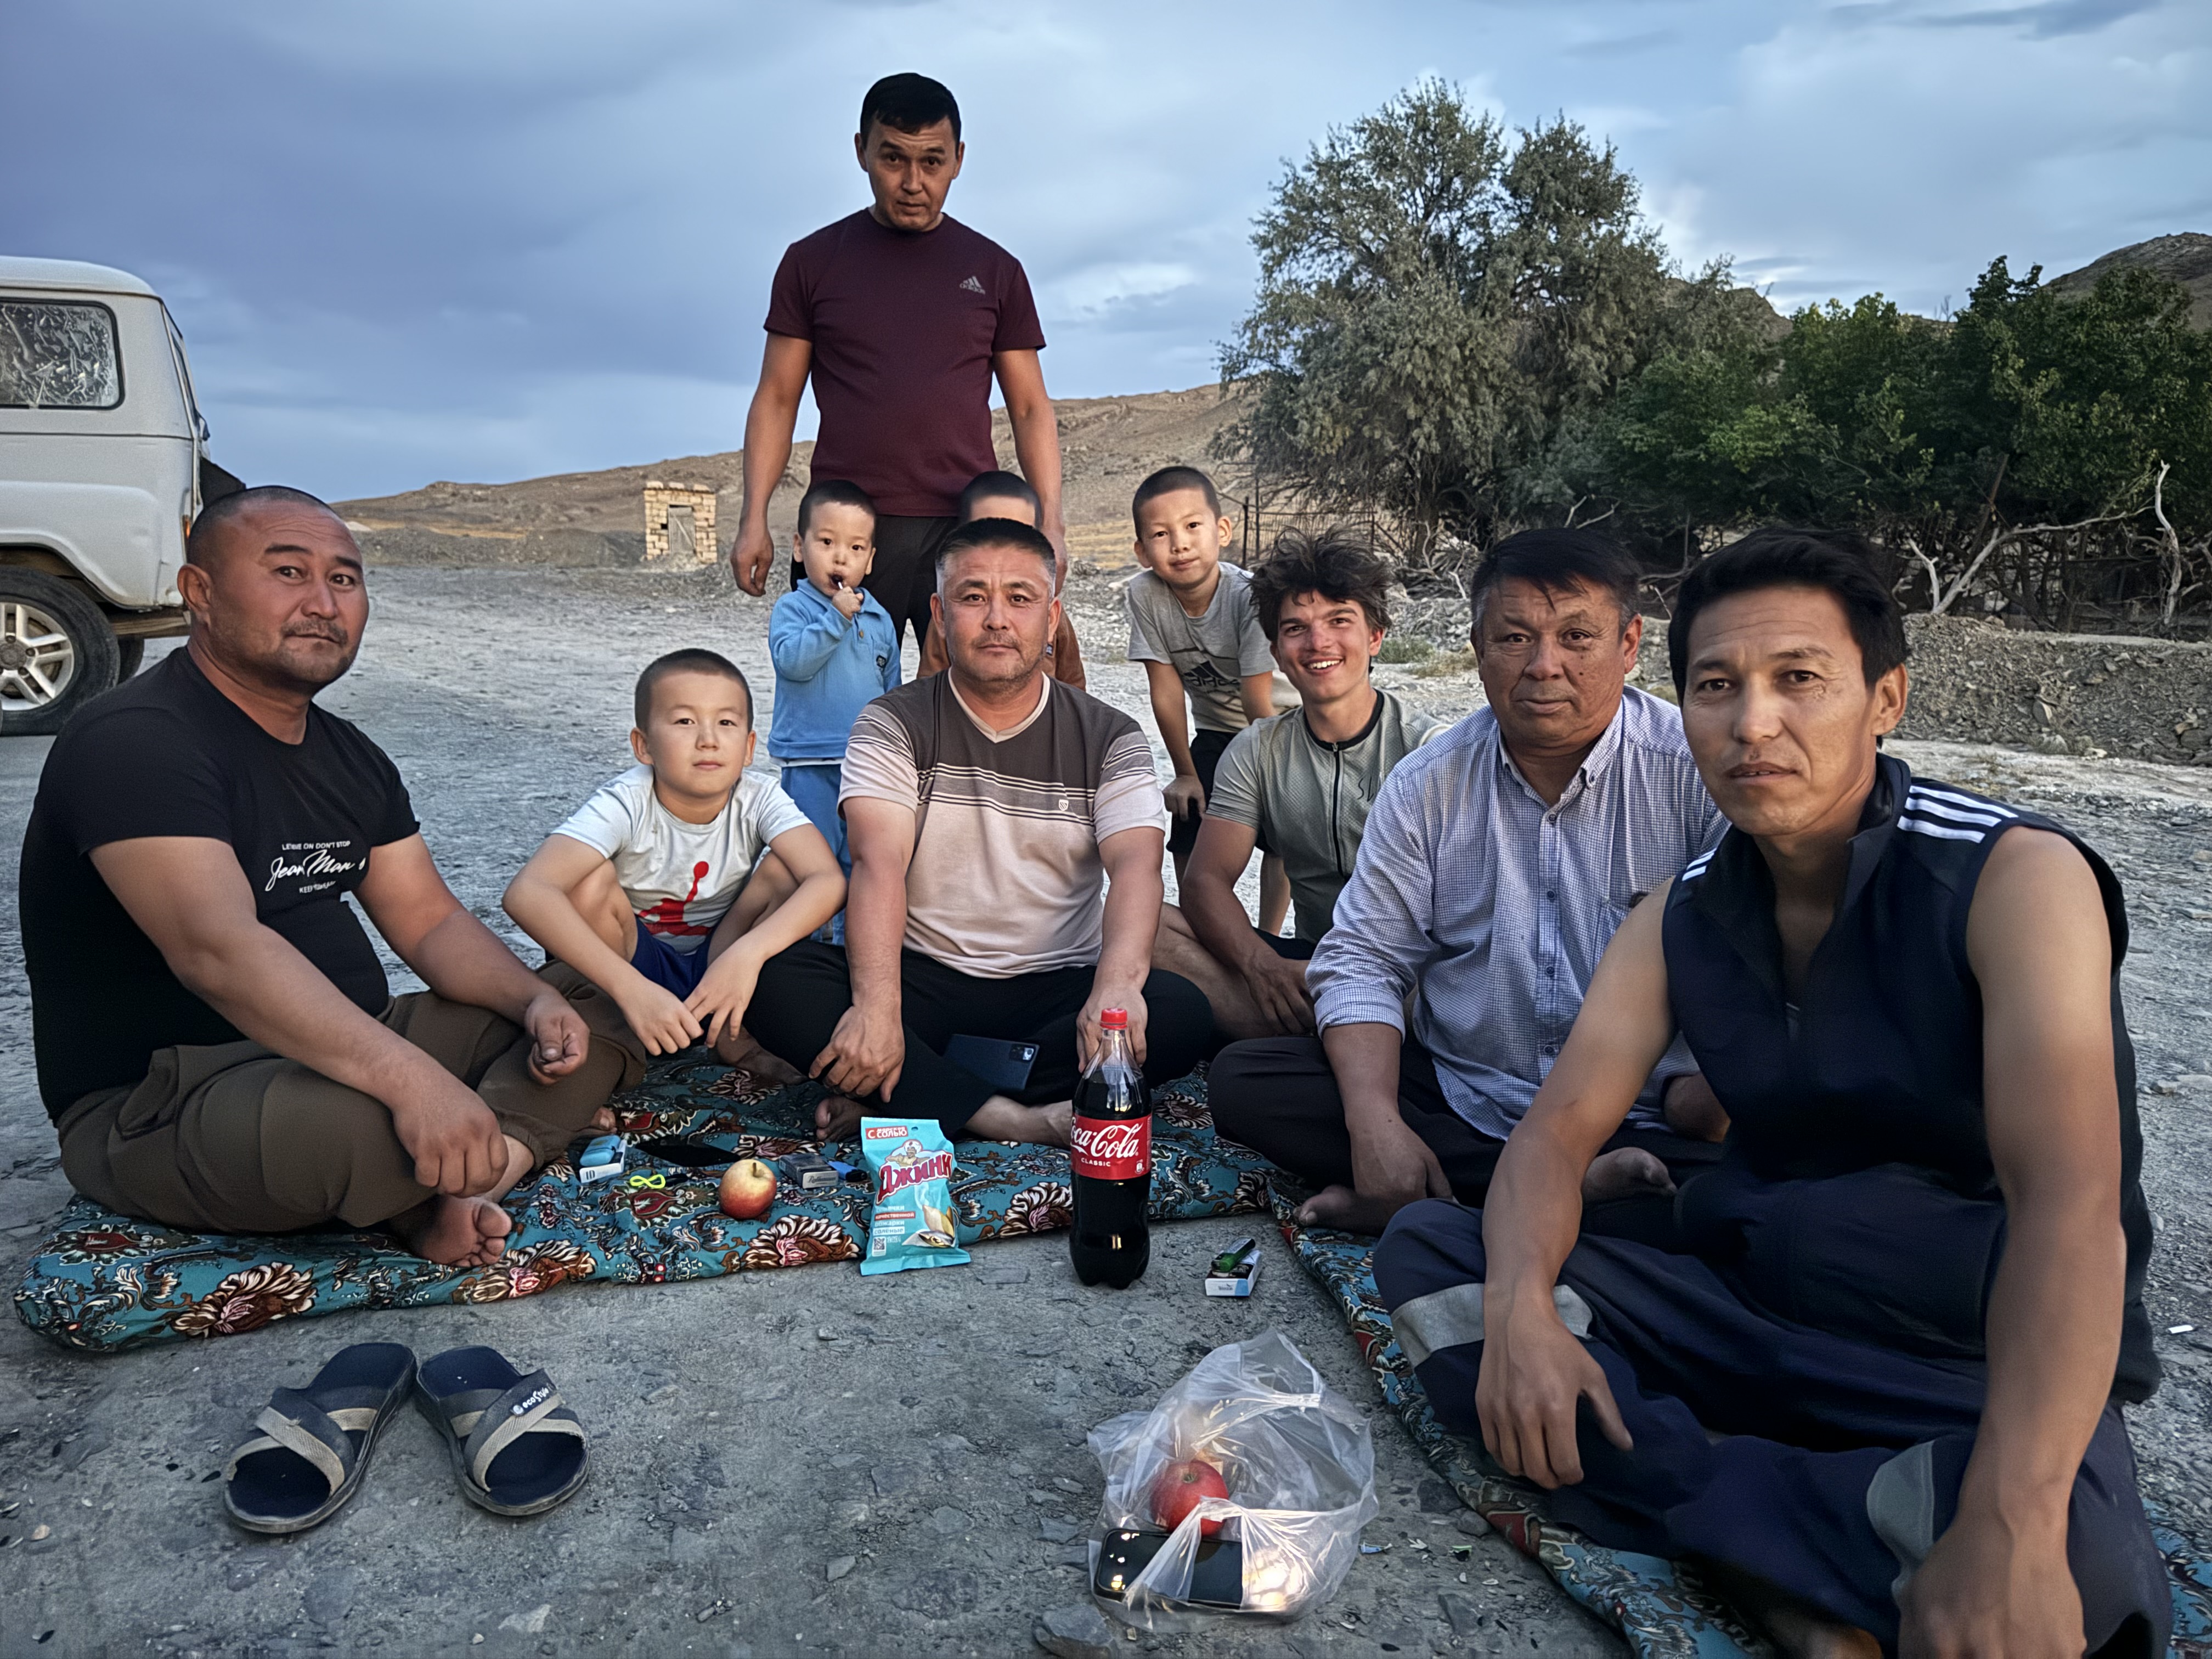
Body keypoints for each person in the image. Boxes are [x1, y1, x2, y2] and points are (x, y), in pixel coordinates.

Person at [1373, 528, 2169, 1657]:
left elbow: (2072, 1209)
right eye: (1717, 687)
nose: (1753, 724)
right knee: (1434, 1258)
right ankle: (1831, 1542)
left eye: (1800, 680)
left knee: (2068, 1569)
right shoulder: (1681, 915)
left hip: (1959, 1355)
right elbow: (1552, 1140)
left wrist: (2013, 1515)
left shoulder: (2011, 878)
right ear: (1682, 706)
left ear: (1884, 698)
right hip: (1753, 1307)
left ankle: (1723, 1513)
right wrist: (1517, 1315)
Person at [19, 487, 645, 1268]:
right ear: (200, 594)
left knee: (604, 1006)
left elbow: (428, 922)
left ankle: (475, 1173)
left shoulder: (349, 755)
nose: (322, 602)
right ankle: (457, 1169)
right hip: (171, 1096)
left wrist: (536, 1000)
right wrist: (413, 1084)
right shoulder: (136, 741)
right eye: (288, 572)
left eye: (344, 580)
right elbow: (216, 950)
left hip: (354, 1039)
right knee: (365, 1132)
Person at [1208, 528, 1726, 1237]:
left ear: (1630, 644)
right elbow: (1364, 958)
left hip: (1635, 1112)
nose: (1544, 666)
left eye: (1577, 637)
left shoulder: (1698, 775)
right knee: (1247, 1083)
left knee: (1773, 1195)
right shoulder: (1430, 782)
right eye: (1514, 639)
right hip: (1464, 1090)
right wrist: (1375, 1124)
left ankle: (1464, 1193)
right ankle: (1560, 1191)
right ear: (1478, 645)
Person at [743, 517, 1213, 1146]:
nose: (997, 619)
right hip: (923, 981)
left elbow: (1135, 869)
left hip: (1055, 985)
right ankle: (1004, 1116)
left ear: (1050, 619)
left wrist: (1116, 988)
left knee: (1181, 1013)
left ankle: (911, 1094)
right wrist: (879, 1012)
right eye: (973, 597)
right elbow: (877, 865)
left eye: (1020, 599)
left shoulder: (1110, 735)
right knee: (778, 983)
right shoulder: (892, 723)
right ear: (939, 613)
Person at [729, 72, 1065, 657]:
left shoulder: (996, 270)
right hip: (847, 532)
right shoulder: (812, 263)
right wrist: (752, 516)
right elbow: (778, 397)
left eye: (932, 162)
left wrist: (1051, 523)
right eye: (893, 159)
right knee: (843, 708)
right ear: (861, 150)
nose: (913, 182)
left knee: (966, 708)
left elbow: (1031, 407)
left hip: (964, 529)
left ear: (959, 158)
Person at [1152, 527, 1444, 1040]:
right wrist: (1259, 963)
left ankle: (1332, 1034)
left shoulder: (1429, 749)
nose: (1318, 643)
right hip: (1309, 963)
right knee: (1145, 926)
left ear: (1375, 636)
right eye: (1296, 628)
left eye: (1339, 621)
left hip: (1406, 971)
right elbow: (1205, 881)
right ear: (1275, 649)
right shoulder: (1259, 748)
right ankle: (1332, 1032)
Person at [502, 650, 846, 1071]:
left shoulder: (759, 797)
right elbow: (528, 892)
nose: (708, 739)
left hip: (718, 960)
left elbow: (827, 880)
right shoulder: (626, 801)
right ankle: (616, 1037)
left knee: (787, 873)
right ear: (643, 745)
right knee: (586, 881)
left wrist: (749, 955)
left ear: (750, 746)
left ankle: (734, 1036)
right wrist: (629, 988)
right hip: (629, 963)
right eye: (685, 721)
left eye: (726, 722)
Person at [1124, 466, 1289, 933]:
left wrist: (1272, 775)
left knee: (1282, 834)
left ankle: (1270, 934)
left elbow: (1257, 697)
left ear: (1222, 531)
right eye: (1161, 533)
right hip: (1216, 728)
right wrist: (1184, 773)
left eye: (1193, 526)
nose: (1180, 544)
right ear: (1141, 552)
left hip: (1277, 724)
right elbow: (1166, 688)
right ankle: (1204, 927)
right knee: (1190, 816)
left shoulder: (1249, 596)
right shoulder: (1146, 595)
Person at [763, 479, 900, 879]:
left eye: (856, 548)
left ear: (870, 561)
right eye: (826, 542)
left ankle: (843, 940)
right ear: (799, 547)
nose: (840, 558)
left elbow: (891, 691)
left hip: (863, 762)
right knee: (809, 862)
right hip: (808, 758)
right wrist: (836, 618)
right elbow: (793, 663)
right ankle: (804, 937)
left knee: (858, 857)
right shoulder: (794, 609)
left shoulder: (879, 618)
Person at [916, 470, 1087, 686]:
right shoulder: (952, 613)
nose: (1003, 543)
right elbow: (929, 686)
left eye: (1019, 533)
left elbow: (1074, 685)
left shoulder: (1048, 612)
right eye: (987, 530)